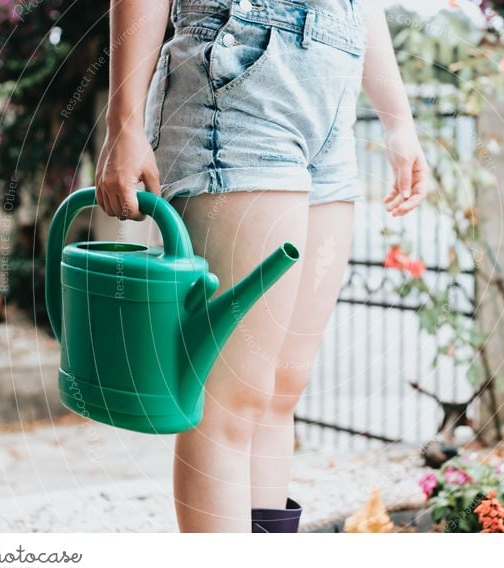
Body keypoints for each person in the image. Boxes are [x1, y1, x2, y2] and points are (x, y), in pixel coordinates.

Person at [95, 0, 428, 533]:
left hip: (332, 97)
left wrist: (399, 121)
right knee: (231, 396)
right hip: (239, 78)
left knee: (281, 389)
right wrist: (124, 122)